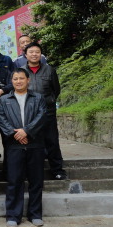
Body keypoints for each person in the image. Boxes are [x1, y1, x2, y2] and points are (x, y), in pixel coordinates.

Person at [0, 68, 48, 227]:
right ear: (11, 81)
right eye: (15, 79)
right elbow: (1, 119)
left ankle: (35, 214)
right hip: (14, 146)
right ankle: (13, 215)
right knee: (14, 181)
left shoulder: (38, 97)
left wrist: (27, 131)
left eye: (21, 78)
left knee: (36, 181)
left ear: (28, 80)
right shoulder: (4, 99)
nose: (18, 81)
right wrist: (16, 134)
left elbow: (42, 116)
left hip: (35, 144)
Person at [24, 42, 67, 180]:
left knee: (52, 141)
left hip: (48, 112)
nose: (34, 54)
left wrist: (50, 101)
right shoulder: (21, 71)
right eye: (31, 52)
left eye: (37, 52)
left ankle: (57, 170)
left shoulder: (49, 70)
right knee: (31, 142)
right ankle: (32, 172)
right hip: (29, 113)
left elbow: (56, 90)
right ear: (26, 55)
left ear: (41, 54)